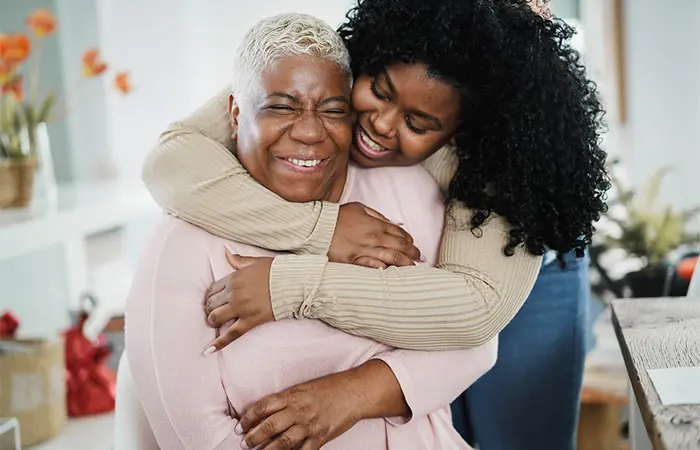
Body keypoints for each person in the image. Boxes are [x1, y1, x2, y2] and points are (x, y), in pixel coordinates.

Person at [141, 0, 609, 448]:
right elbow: (170, 160)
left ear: (461, 134)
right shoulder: (344, 63)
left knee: (522, 438)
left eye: (418, 122)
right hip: (429, 260)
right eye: (380, 92)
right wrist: (322, 230)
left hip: (516, 272)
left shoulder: (503, 156)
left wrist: (289, 286)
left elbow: (473, 313)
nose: (381, 124)